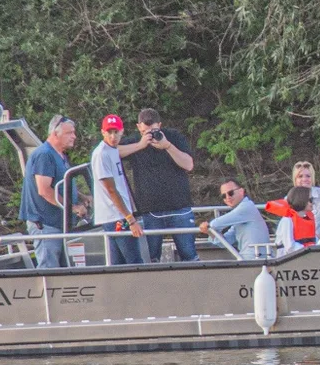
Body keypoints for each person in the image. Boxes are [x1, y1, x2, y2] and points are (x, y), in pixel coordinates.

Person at [118, 108, 198, 262]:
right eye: (146, 131)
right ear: (138, 127)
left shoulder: (173, 137)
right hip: (150, 210)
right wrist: (140, 145)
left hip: (179, 207)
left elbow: (188, 165)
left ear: (160, 125)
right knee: (150, 257)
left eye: (154, 130)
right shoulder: (136, 141)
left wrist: (167, 146)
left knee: (189, 254)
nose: (151, 135)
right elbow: (109, 152)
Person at [18, 114, 87, 268]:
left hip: (60, 225)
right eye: (70, 133)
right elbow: (44, 190)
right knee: (48, 271)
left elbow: (61, 183)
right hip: (46, 225)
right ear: (56, 134)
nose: (74, 137)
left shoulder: (60, 155)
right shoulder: (45, 155)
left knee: (64, 271)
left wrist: (82, 197)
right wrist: (73, 207)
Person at [91, 114, 143, 265]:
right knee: (135, 262)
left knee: (117, 264)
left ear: (122, 132)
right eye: (109, 132)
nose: (113, 136)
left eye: (116, 132)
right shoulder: (102, 154)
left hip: (117, 216)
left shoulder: (113, 150)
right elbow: (111, 190)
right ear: (103, 132)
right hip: (116, 217)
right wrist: (130, 219)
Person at [197, 180, 269, 259]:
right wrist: (210, 232)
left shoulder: (246, 208)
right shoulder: (239, 216)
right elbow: (226, 241)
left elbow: (215, 224)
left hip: (257, 259)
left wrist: (208, 226)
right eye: (224, 196)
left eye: (231, 193)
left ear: (241, 191)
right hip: (250, 258)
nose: (228, 197)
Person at [267, 186, 316, 256]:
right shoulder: (287, 220)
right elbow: (289, 247)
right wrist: (309, 250)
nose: (313, 202)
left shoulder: (308, 219)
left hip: (305, 257)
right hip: (288, 261)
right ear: (301, 200)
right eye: (310, 200)